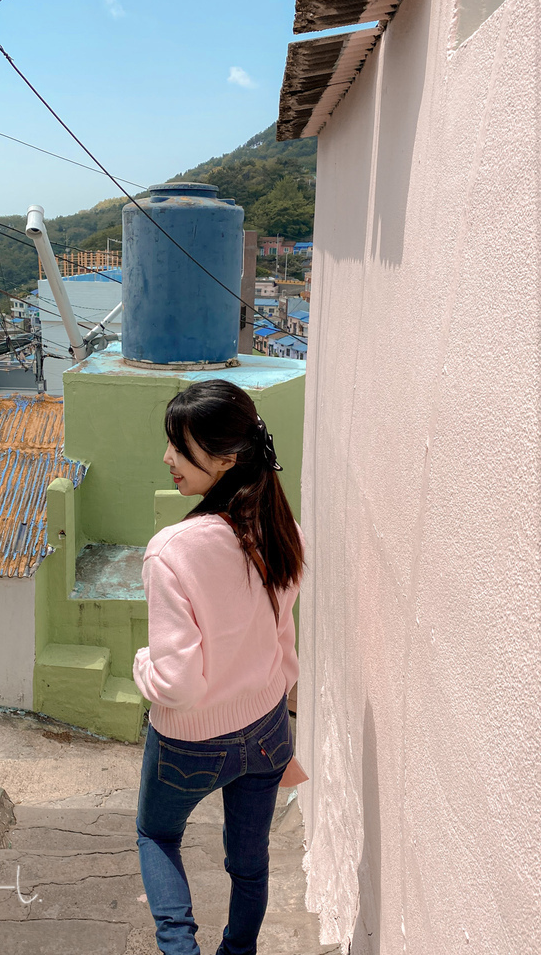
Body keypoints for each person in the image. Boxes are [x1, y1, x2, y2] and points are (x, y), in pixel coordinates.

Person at [133, 379, 305, 955]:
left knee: (157, 836)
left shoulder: (173, 551)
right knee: (250, 865)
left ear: (226, 460)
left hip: (189, 742)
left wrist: (141, 666)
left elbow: (176, 685)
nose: (168, 459)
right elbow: (282, 641)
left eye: (181, 449)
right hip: (266, 730)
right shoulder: (282, 532)